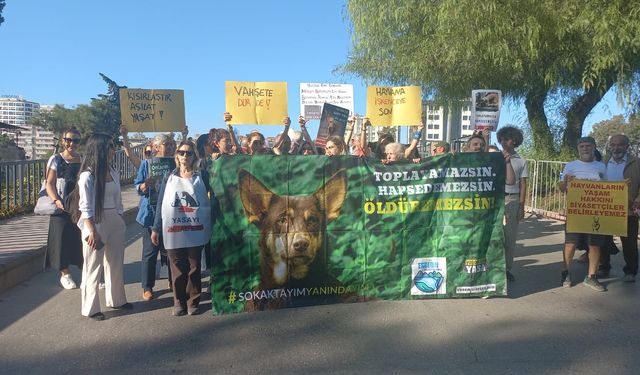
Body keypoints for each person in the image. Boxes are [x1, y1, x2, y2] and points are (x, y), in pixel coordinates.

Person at [151, 140, 212, 316]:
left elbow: (211, 198)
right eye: (182, 152)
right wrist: (156, 228)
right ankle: (179, 302)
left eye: (189, 153)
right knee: (177, 267)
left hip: (195, 228)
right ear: (177, 155)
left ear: (194, 156)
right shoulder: (168, 177)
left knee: (194, 266)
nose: (185, 156)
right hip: (173, 229)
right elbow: (161, 202)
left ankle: (193, 300)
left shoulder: (202, 176)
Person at [77, 133, 130, 320]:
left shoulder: (113, 170)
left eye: (113, 145)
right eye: (109, 146)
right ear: (99, 148)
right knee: (93, 266)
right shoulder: (87, 176)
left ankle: (117, 299)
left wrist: (120, 217)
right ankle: (90, 308)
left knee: (115, 262)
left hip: (114, 219)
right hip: (96, 222)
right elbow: (85, 207)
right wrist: (92, 230)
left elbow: (118, 198)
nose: (112, 150)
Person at [559, 136, 607, 291]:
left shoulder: (601, 166)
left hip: (596, 213)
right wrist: (565, 181)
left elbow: (608, 187)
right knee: (570, 243)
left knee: (594, 244)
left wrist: (622, 187)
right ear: (578, 149)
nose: (585, 148)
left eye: (588, 146)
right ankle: (566, 272)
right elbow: (561, 187)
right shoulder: (570, 166)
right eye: (582, 146)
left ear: (594, 147)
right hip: (576, 212)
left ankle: (592, 276)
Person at [134, 133, 177, 301]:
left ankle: (172, 280)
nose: (172, 147)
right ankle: (147, 286)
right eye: (168, 144)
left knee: (171, 250)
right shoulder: (146, 164)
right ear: (157, 147)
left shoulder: (175, 164)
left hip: (171, 212)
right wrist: (146, 185)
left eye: (173, 144)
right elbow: (138, 187)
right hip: (150, 213)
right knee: (150, 252)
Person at [45, 128, 83, 289]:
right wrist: (56, 200)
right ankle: (65, 274)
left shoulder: (83, 159)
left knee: (81, 239)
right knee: (61, 239)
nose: (71, 143)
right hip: (61, 205)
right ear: (63, 140)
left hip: (80, 205)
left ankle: (86, 272)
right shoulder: (56, 159)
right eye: (68, 140)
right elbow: (49, 183)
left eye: (75, 141)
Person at [598, 134, 640, 282]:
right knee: (603, 240)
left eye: (620, 144)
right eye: (613, 144)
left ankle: (630, 271)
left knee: (629, 243)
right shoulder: (602, 162)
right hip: (606, 208)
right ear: (610, 145)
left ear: (627, 146)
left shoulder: (636, 162)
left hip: (628, 209)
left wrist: (638, 198)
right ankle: (604, 267)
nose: (616, 147)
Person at [497, 126, 529, 282]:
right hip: (496, 198)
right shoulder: (495, 156)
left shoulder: (521, 161)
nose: (504, 142)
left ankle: (507, 268)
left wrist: (522, 206)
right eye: (501, 139)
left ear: (514, 141)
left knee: (510, 236)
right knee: (496, 235)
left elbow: (523, 184)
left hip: (512, 198)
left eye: (507, 139)